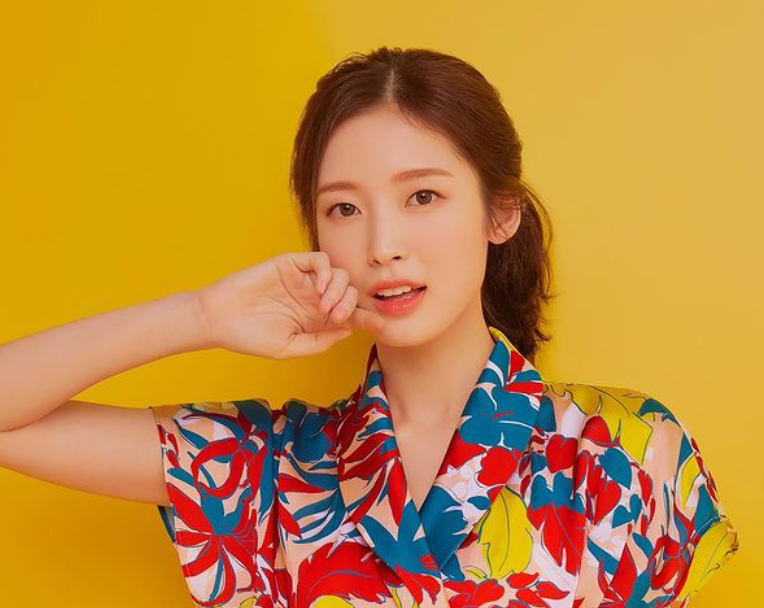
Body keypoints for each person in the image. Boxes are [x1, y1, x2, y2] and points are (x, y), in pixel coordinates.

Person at [0, 46, 738, 608]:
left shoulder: (627, 450)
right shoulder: (265, 468)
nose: (382, 245)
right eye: (344, 209)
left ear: (500, 212)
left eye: (422, 196)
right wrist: (202, 316)